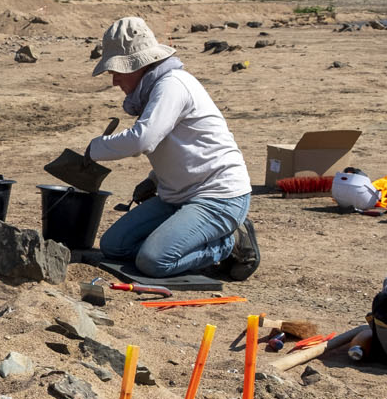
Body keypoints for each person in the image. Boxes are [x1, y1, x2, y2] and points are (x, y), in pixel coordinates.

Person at [83, 16, 259, 280]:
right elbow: (186, 146)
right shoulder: (153, 90)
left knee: (153, 262)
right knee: (114, 246)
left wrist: (94, 149)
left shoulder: (172, 85)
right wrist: (154, 179)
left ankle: (228, 244)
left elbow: (143, 139)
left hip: (218, 197)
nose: (114, 81)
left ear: (138, 65)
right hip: (177, 196)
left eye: (117, 71)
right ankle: (183, 237)